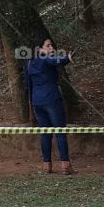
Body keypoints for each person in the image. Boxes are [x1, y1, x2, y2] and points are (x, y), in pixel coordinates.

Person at [26, 37, 74, 175]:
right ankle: (65, 165)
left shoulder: (30, 63)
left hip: (36, 102)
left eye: (52, 46)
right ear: (40, 49)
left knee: (45, 134)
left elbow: (28, 85)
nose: (51, 48)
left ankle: (47, 165)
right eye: (48, 46)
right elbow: (56, 60)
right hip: (52, 100)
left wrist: (31, 103)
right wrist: (67, 58)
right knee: (60, 132)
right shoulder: (45, 59)